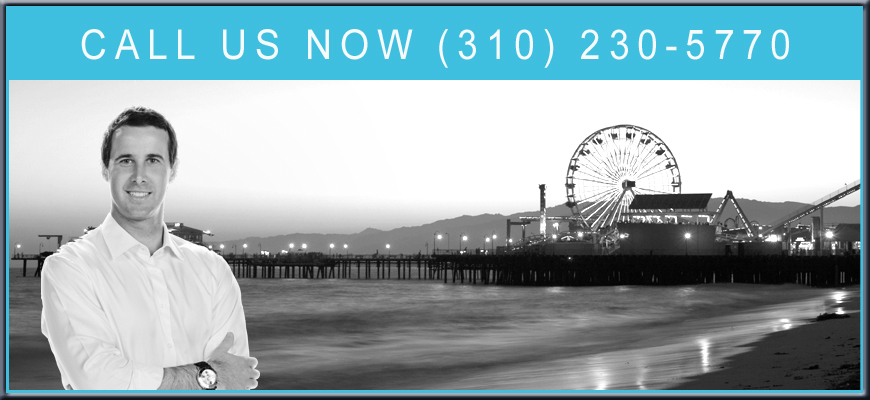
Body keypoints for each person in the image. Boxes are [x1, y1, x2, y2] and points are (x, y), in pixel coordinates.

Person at [41, 107, 259, 390]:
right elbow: (97, 379)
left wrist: (140, 377)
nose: (139, 176)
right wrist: (207, 378)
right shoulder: (70, 268)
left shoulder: (212, 269)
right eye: (126, 161)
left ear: (173, 170)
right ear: (106, 169)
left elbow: (236, 376)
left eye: (153, 160)